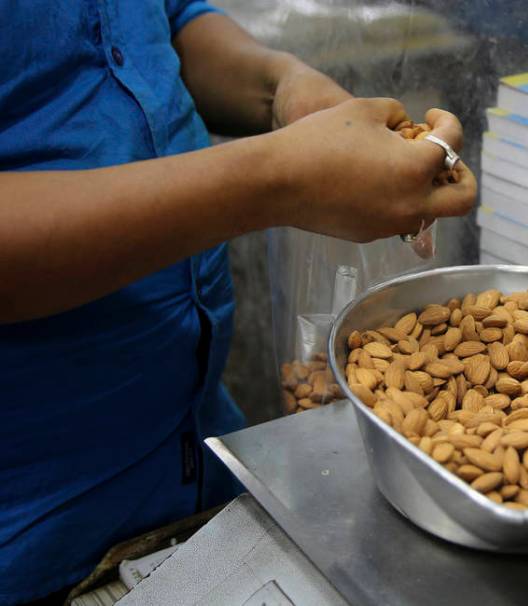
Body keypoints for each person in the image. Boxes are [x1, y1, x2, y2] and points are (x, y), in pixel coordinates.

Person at [0, 2, 477, 604]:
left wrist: (279, 85)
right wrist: (277, 178)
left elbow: (163, 25)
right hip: (37, 542)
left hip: (206, 467)